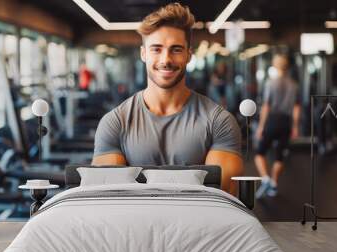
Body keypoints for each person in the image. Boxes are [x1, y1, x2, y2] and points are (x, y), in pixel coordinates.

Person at [92, 3, 243, 196]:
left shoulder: (219, 122)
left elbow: (221, 196)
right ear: (143, 53)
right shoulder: (115, 123)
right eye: (156, 49)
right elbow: (110, 197)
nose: (166, 59)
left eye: (176, 49)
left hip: (197, 226)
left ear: (189, 54)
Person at [255, 54, 301, 198]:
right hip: (286, 122)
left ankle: (265, 178)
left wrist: (261, 126)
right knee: (279, 156)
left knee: (259, 153)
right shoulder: (294, 85)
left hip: (272, 120)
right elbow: (296, 108)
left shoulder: (270, 83)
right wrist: (295, 126)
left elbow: (266, 106)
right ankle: (274, 183)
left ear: (275, 66)